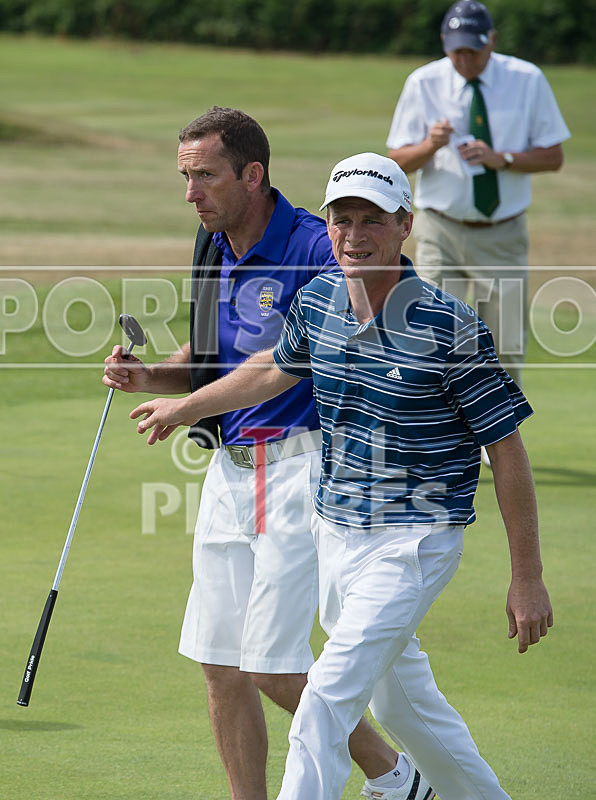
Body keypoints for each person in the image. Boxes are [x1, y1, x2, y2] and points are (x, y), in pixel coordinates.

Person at [128, 152, 553, 800]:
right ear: (327, 225)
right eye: (343, 220)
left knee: (322, 704)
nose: (355, 235)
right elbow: (272, 371)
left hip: (414, 541)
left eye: (372, 221)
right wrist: (183, 403)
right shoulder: (321, 301)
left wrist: (527, 577)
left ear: (406, 225)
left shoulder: (450, 327)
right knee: (410, 712)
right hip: (338, 540)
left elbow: (508, 451)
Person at [104, 112, 434, 800]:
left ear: (252, 175)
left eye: (205, 176)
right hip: (231, 470)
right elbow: (213, 355)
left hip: (306, 470)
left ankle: (397, 777)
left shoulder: (320, 247)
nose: (191, 193)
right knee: (221, 664)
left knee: (273, 667)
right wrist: (154, 378)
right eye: (185, 177)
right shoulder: (214, 244)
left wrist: (188, 406)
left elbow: (284, 359)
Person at [385, 0, 570, 387]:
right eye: (456, 51)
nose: (465, 60)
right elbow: (397, 159)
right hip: (441, 229)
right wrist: (431, 145)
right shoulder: (423, 82)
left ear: (493, 41)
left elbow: (553, 156)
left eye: (474, 50)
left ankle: (501, 447)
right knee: (434, 340)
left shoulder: (527, 79)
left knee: (503, 347)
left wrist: (500, 158)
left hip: (502, 234)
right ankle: (438, 443)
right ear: (444, 43)